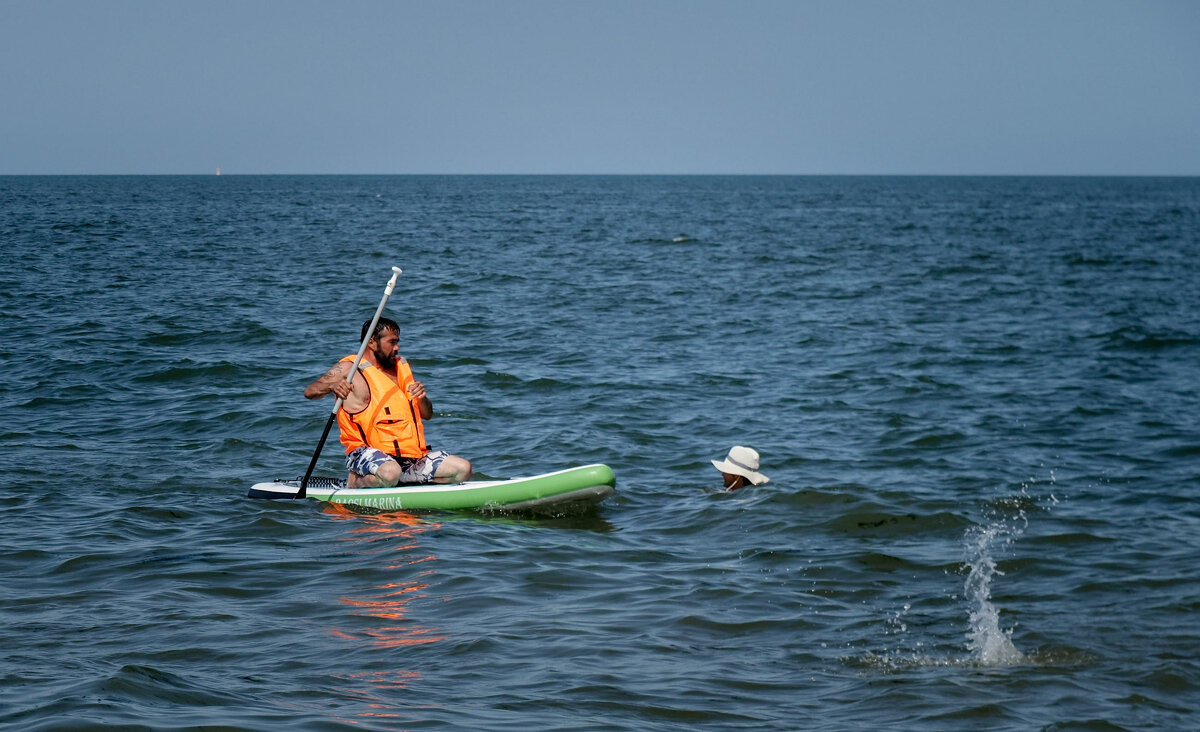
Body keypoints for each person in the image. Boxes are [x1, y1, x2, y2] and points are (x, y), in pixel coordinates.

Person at [305, 317, 472, 488]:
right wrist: (332, 386)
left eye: (397, 342)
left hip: (409, 458)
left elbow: (427, 415)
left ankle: (397, 481)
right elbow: (310, 391)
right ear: (372, 342)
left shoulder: (401, 369)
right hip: (365, 453)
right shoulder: (350, 368)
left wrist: (422, 398)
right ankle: (357, 482)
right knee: (390, 472)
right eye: (392, 342)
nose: (397, 347)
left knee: (462, 469)